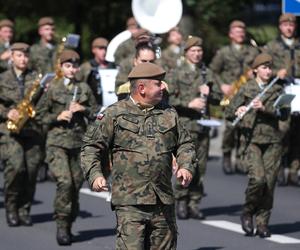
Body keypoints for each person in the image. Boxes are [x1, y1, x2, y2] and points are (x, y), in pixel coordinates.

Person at [81, 62, 196, 250]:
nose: (163, 87)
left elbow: (185, 144)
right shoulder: (114, 114)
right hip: (129, 200)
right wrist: (95, 175)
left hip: (162, 198)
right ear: (141, 88)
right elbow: (91, 147)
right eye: (158, 83)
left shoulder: (169, 113)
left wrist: (185, 166)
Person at [36, 49, 97, 245]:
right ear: (61, 68)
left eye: (74, 66)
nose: (72, 70)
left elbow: (97, 113)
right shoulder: (52, 88)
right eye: (68, 66)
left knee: (75, 185)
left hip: (78, 144)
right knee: (65, 182)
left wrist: (84, 109)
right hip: (57, 143)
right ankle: (61, 225)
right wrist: (57, 117)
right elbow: (38, 115)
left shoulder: (84, 88)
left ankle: (69, 221)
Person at [225, 53, 289, 237]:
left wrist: (266, 109)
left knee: (269, 184)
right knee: (258, 179)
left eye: (269, 68)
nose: (268, 71)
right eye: (264, 67)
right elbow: (228, 111)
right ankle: (248, 210)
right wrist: (238, 109)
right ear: (255, 70)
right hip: (251, 140)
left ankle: (263, 223)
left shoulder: (278, 89)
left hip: (273, 141)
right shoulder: (247, 88)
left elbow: (284, 114)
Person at [167, 36, 220, 220]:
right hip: (185, 126)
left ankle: (194, 203)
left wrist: (210, 92)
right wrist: (188, 103)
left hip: (203, 126)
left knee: (201, 167)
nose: (197, 54)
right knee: (185, 165)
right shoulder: (176, 72)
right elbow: (168, 99)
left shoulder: (207, 73)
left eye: (199, 51)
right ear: (186, 52)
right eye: (193, 51)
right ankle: (181, 199)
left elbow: (221, 98)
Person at [0, 42, 44, 227]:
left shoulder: (36, 78)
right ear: (12, 57)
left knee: (32, 171)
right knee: (16, 168)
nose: (23, 59)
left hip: (32, 129)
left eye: (26, 56)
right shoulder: (2, 78)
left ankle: (24, 209)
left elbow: (44, 102)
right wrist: (6, 113)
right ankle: (11, 207)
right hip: (9, 131)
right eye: (19, 56)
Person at [210, 20, 259, 174]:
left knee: (245, 127)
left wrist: (255, 73)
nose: (241, 34)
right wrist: (222, 85)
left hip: (247, 93)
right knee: (231, 127)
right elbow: (213, 71)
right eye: (237, 31)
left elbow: (262, 68)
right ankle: (226, 155)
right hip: (231, 94)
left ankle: (240, 159)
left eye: (242, 31)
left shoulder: (252, 51)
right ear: (231, 34)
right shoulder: (224, 52)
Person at [264, 13, 300, 186]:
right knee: (282, 130)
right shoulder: (272, 46)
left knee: (297, 132)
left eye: (291, 25)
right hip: (282, 91)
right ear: (280, 27)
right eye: (285, 25)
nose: (289, 27)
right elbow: (260, 67)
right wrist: (275, 71)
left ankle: (294, 171)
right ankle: (277, 169)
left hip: (298, 91)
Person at [76, 37, 116, 107]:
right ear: (93, 50)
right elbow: (77, 84)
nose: (104, 52)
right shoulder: (86, 67)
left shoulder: (113, 66)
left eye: (105, 49)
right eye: (100, 49)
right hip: (92, 105)